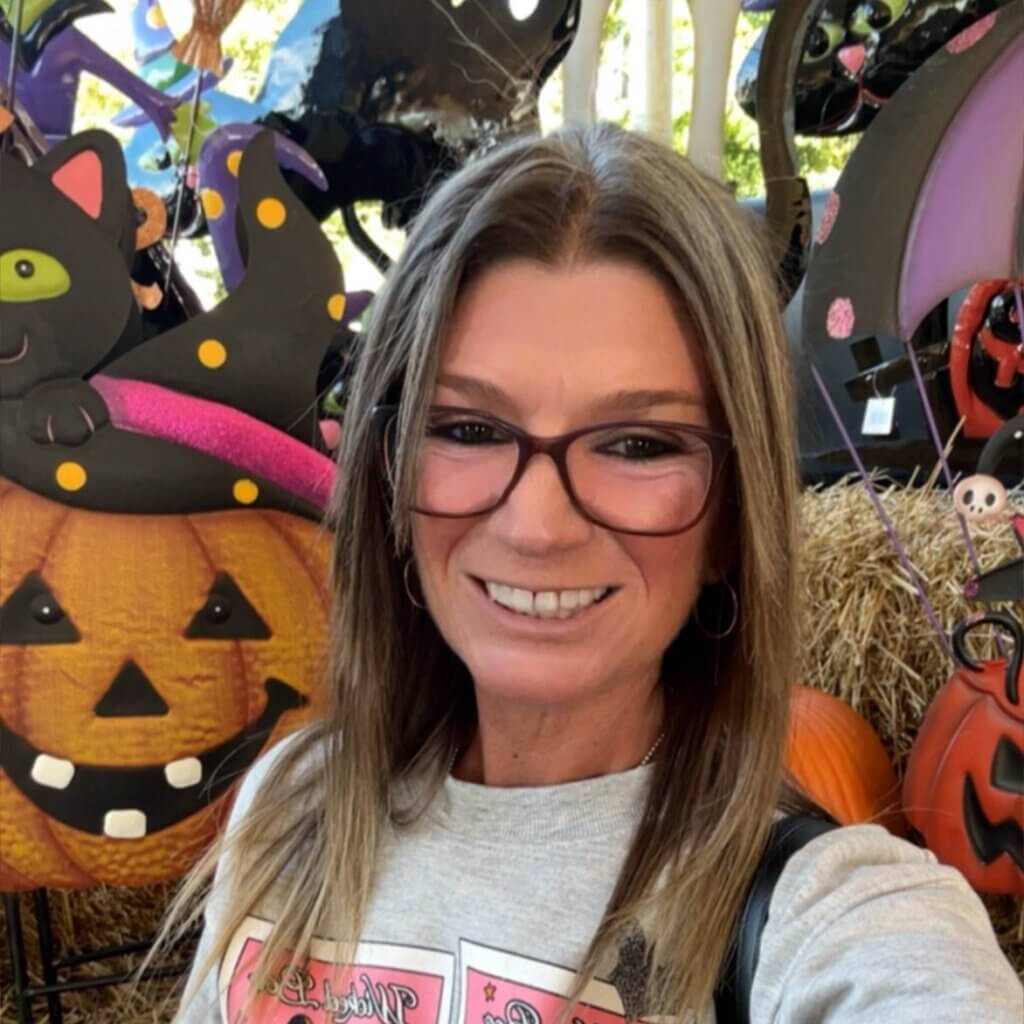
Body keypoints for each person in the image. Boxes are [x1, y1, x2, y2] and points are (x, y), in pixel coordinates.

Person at [168, 123, 1022, 1023]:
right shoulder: (295, 799)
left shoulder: (830, 916)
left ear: (733, 518)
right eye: (467, 429)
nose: (537, 526)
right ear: (390, 475)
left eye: (639, 444)